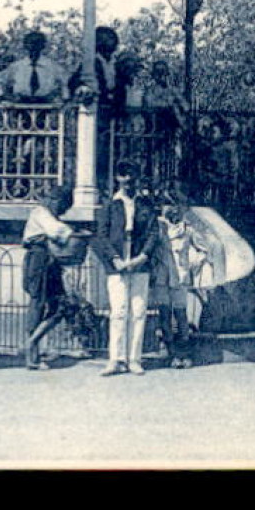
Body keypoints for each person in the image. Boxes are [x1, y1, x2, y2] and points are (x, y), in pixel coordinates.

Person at [95, 161, 159, 375]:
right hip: (117, 265)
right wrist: (114, 258)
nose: (127, 180)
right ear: (117, 178)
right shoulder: (109, 205)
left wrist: (142, 257)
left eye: (131, 175)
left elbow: (153, 233)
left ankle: (134, 359)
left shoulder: (146, 204)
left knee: (139, 311)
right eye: (123, 175)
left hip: (140, 263)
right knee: (119, 311)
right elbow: (101, 236)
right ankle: (116, 359)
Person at [21, 182, 87, 369]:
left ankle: (32, 342)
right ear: (52, 200)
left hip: (50, 261)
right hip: (39, 258)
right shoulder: (40, 212)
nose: (62, 209)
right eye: (61, 204)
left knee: (60, 306)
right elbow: (57, 231)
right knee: (38, 302)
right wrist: (76, 232)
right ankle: (32, 354)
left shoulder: (50, 215)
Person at [152, 187, 209, 369]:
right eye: (166, 204)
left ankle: (183, 353)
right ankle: (170, 353)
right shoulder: (158, 227)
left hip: (180, 277)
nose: (170, 209)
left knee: (181, 315)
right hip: (162, 277)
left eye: (173, 205)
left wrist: (192, 263)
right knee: (164, 314)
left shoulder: (187, 229)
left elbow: (204, 249)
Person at [0, 30, 69, 104]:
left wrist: (64, 99)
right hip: (21, 106)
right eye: (30, 43)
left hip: (45, 106)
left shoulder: (53, 66)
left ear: (43, 45)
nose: (33, 47)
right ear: (25, 45)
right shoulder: (17, 66)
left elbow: (65, 82)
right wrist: (3, 96)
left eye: (37, 43)